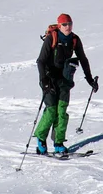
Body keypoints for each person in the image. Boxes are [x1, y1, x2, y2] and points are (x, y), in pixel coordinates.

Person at [34, 13, 97, 156]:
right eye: (64, 24)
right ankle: (41, 138)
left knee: (61, 111)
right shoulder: (52, 37)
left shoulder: (74, 39)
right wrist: (43, 80)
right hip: (49, 78)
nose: (68, 27)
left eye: (70, 23)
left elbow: (83, 59)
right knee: (51, 110)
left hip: (65, 78)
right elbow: (41, 61)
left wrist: (90, 79)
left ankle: (58, 143)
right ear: (59, 25)